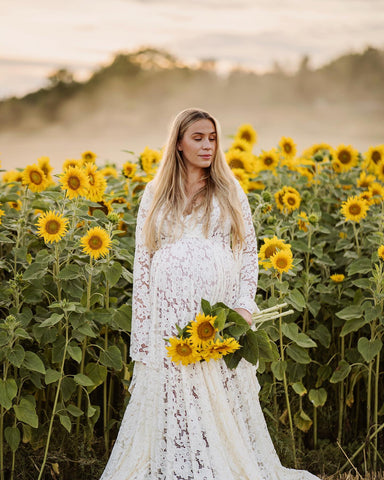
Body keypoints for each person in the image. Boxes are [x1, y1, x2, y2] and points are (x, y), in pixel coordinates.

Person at [100, 108, 320, 480]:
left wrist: (244, 306)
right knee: (172, 396)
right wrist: (144, 338)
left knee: (214, 394)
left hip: (214, 318)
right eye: (198, 138)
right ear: (180, 144)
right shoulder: (155, 194)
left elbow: (249, 251)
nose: (207, 145)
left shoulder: (229, 190)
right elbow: (144, 261)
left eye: (213, 138)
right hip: (167, 317)